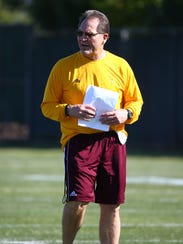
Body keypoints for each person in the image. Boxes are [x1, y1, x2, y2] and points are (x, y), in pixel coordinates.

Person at [41, 9, 143, 244]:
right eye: (80, 33)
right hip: (79, 140)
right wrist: (69, 110)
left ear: (104, 37)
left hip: (113, 140)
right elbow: (47, 106)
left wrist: (124, 114)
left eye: (89, 34)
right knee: (77, 202)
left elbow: (136, 101)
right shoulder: (63, 67)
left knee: (112, 205)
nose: (83, 38)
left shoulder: (121, 66)